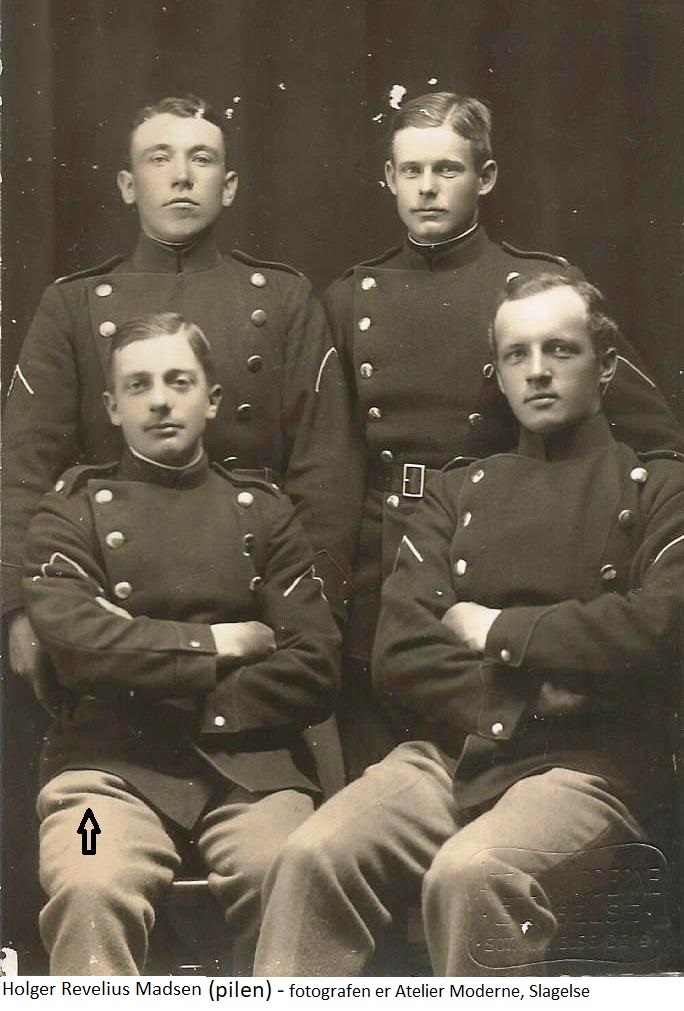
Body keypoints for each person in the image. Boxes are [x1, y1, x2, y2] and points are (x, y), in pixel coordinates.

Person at [253, 273, 684, 976]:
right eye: (517, 354)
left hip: (586, 768)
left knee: (474, 871)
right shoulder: (456, 492)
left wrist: (495, 630)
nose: (537, 370)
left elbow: (656, 626)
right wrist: (534, 691)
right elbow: (403, 651)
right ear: (500, 374)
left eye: (560, 350)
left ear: (605, 366)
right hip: (449, 757)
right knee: (311, 854)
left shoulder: (662, 487)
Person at [323, 91, 684, 776]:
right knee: (386, 783)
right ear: (389, 178)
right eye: (412, 170)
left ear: (484, 178)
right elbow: (330, 467)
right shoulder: (348, 298)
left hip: (501, 552)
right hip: (386, 566)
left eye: (448, 169)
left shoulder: (537, 290)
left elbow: (652, 436)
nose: (428, 188)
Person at [21, 312, 341, 975]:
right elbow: (80, 648)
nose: (160, 401)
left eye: (179, 381)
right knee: (88, 879)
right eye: (138, 385)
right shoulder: (70, 511)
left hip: (253, 774)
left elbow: (315, 666)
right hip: (106, 776)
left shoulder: (266, 512)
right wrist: (222, 642)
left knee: (293, 873)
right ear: (112, 406)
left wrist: (142, 663)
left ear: (212, 398)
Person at [4, 93, 363, 681]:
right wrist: (17, 611)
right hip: (110, 595)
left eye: (201, 158)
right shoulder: (72, 304)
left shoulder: (283, 299)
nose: (180, 177)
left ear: (229, 186)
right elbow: (23, 466)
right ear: (127, 185)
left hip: (257, 589)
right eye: (158, 158)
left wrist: (308, 614)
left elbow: (327, 472)